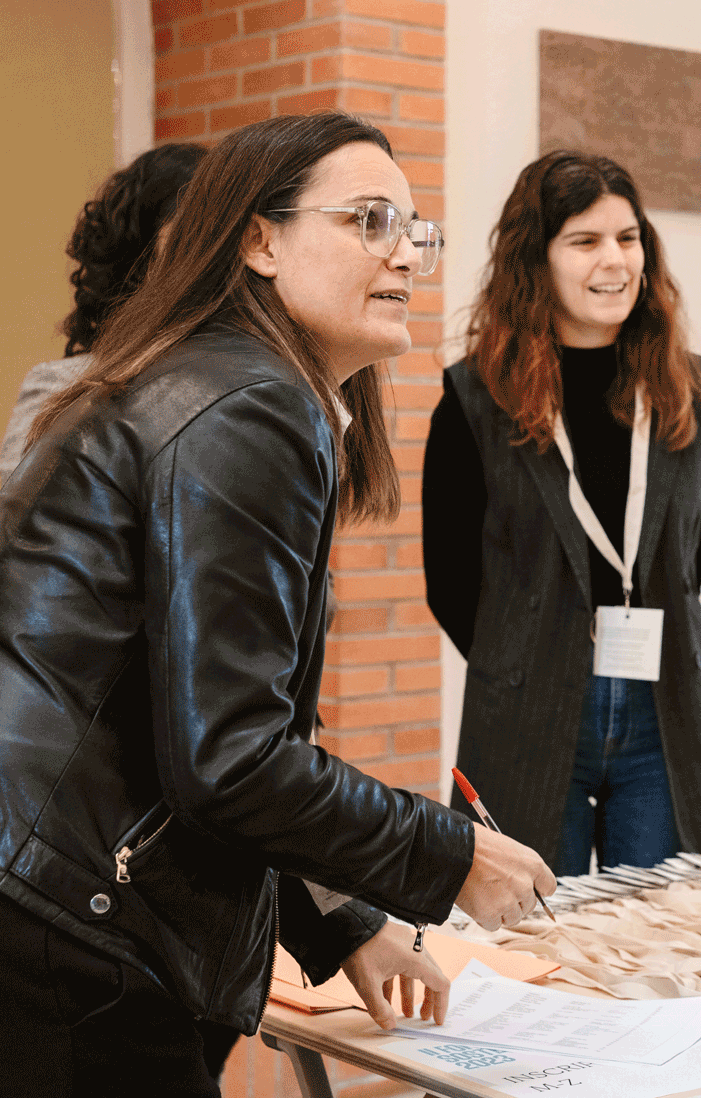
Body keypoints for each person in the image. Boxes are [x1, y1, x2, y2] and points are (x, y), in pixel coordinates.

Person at [0, 111, 555, 1095]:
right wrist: (447, 849)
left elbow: (186, 727)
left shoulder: (207, 380)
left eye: (416, 232)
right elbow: (229, 758)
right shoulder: (250, 403)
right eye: (368, 221)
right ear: (257, 239)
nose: (405, 256)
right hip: (71, 929)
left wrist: (343, 923)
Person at [424, 151, 701, 877]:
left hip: (664, 709)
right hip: (529, 709)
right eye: (585, 241)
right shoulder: (476, 399)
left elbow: (688, 559)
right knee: (533, 937)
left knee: (660, 941)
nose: (615, 260)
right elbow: (450, 579)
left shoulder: (692, 392)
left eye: (629, 239)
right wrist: (528, 656)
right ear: (538, 258)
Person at [0, 142, 206, 482]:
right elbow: (14, 523)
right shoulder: (64, 385)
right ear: (140, 259)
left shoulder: (248, 378)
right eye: (187, 244)